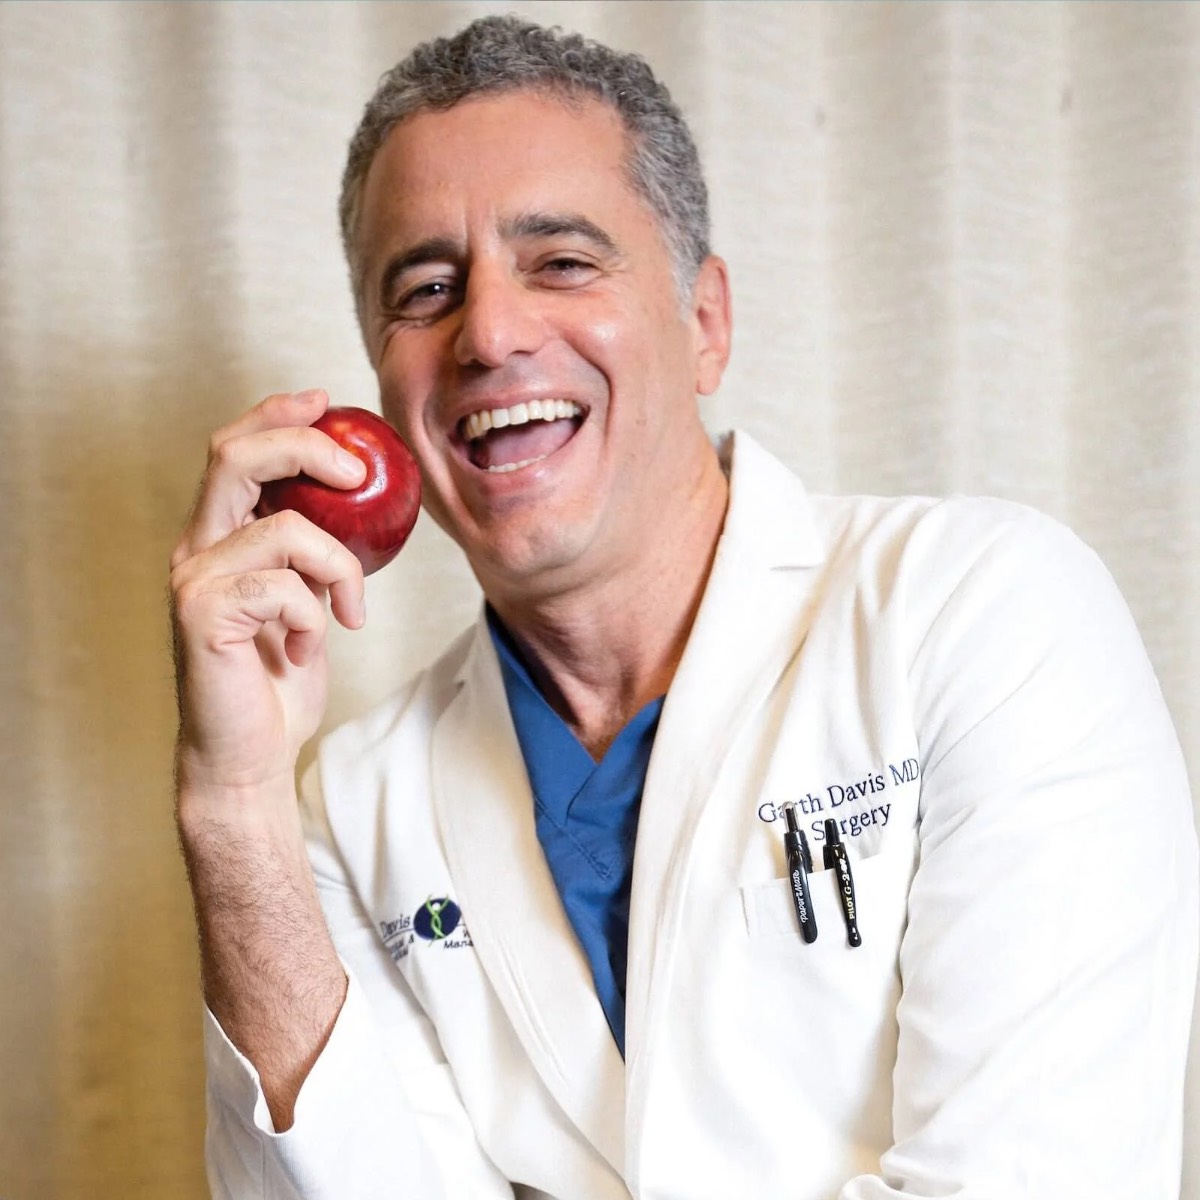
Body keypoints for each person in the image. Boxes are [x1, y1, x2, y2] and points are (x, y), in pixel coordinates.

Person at [169, 15, 1198, 1200]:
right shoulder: (343, 808)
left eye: (560, 261)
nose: (491, 334)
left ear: (704, 323)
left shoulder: (986, 614)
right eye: (428, 288)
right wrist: (230, 800)